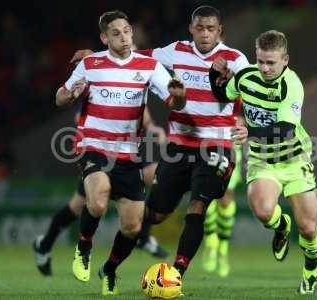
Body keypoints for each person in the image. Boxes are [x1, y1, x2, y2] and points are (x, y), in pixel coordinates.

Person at [71, 5, 249, 280]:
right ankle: (110, 268)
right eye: (199, 28)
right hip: (179, 146)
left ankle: (176, 274)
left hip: (217, 143)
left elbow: (256, 91)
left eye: (211, 28)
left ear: (220, 30)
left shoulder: (235, 60)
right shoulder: (176, 50)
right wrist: (96, 57)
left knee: (197, 206)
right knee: (152, 216)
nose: (205, 34)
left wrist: (245, 123)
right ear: (191, 29)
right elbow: (135, 58)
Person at [56, 10, 185, 296]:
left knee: (132, 226)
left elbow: (174, 102)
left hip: (128, 152)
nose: (125, 37)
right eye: (116, 33)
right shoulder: (90, 64)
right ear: (104, 38)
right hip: (92, 145)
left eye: (127, 31)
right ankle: (84, 246)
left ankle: (109, 270)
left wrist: (180, 95)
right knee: (98, 200)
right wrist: (70, 94)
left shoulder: (149, 66)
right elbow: (60, 96)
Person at [209, 30, 317, 295]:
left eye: (271, 62)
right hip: (263, 159)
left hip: (294, 159)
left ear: (285, 60)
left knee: (308, 228)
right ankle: (280, 225)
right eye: (260, 61)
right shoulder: (246, 76)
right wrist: (214, 74)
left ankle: (310, 270)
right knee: (262, 210)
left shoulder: (291, 84)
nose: (265, 68)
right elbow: (223, 94)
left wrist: (250, 133)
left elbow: (285, 129)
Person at [33, 110, 169, 277]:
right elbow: (80, 115)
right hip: (100, 152)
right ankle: (45, 245)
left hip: (128, 152)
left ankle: (144, 237)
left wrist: (152, 127)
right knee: (77, 206)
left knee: (159, 176)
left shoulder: (137, 86)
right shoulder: (101, 87)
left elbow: (142, 108)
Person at [202, 115, 246, 277]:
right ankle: (211, 242)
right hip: (208, 145)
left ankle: (223, 249)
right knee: (207, 195)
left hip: (230, 148)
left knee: (226, 198)